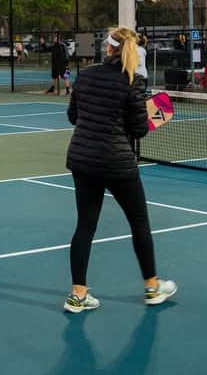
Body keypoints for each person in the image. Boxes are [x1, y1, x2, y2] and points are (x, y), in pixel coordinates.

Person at [63, 26, 176, 313]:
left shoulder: (85, 76)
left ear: (107, 48)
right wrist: (148, 116)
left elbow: (73, 116)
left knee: (85, 226)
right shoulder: (132, 82)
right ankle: (152, 288)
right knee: (139, 222)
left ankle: (77, 295)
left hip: (83, 160)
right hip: (117, 162)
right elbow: (138, 129)